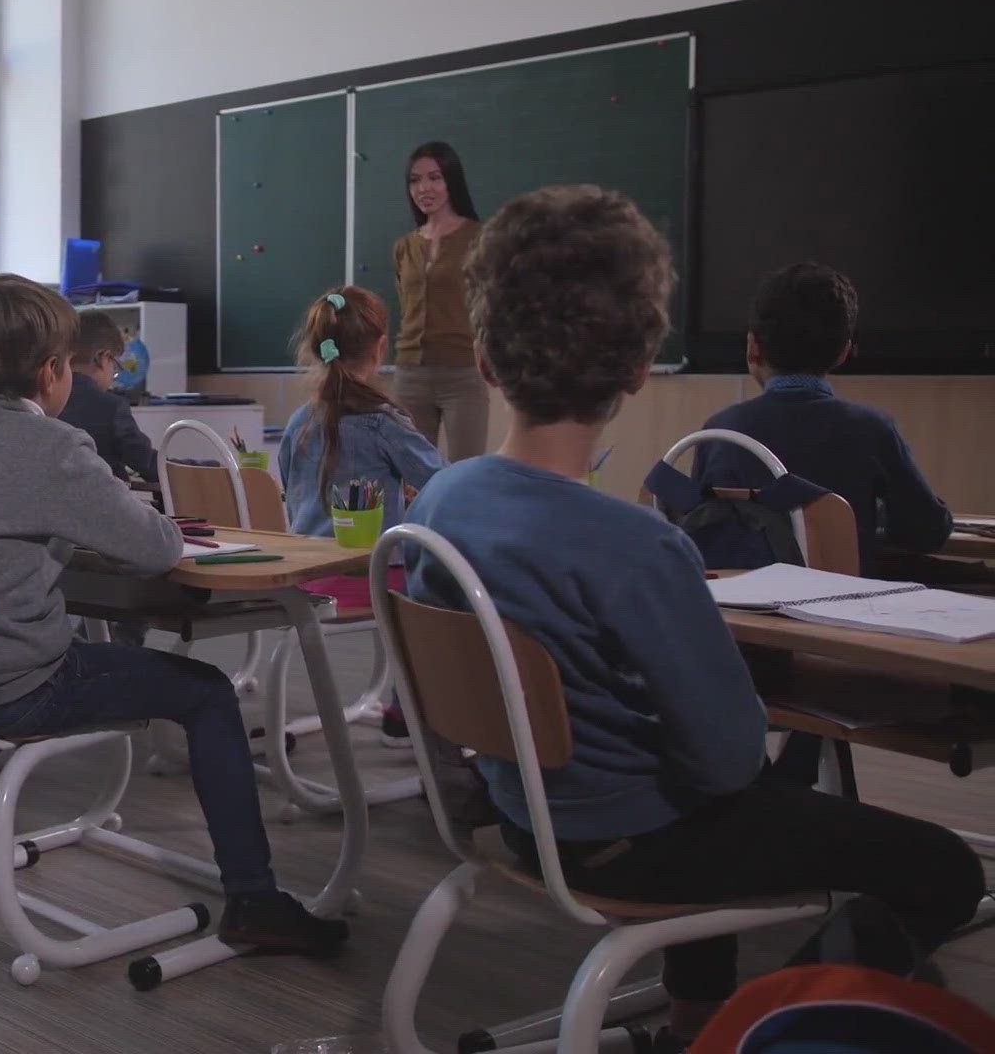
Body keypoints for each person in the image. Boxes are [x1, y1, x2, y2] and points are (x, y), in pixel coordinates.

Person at [402, 184, 983, 1051]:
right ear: (640, 367)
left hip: (520, 812)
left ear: (484, 361)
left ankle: (694, 1013)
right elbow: (724, 761)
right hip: (628, 839)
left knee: (711, 792)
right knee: (942, 866)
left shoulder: (441, 502)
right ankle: (770, 1016)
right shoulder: (639, 547)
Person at [0, 273, 349, 956]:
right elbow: (157, 545)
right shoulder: (50, 447)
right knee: (208, 693)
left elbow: (4, 530)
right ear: (51, 373)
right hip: (23, 683)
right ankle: (254, 895)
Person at [691, 262, 951, 577]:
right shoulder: (871, 429)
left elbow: (699, 532)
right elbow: (926, 533)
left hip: (738, 617)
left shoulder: (719, 433)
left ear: (752, 347)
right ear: (844, 352)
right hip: (838, 617)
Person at [279, 285, 445, 744]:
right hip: (365, 577)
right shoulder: (382, 420)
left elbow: (290, 486)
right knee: (446, 587)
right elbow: (445, 484)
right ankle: (408, 711)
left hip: (305, 578)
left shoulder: (300, 420)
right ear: (379, 346)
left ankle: (402, 707)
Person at [391, 140, 489, 460]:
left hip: (462, 372)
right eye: (415, 180)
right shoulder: (404, 246)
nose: (424, 188)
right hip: (410, 374)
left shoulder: (480, 238)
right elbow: (407, 306)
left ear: (451, 181)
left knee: (465, 472)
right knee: (413, 477)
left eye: (434, 177)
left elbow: (495, 304)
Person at [57, 310, 159, 484]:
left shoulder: (45, 399)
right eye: (115, 366)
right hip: (103, 502)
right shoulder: (111, 406)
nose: (114, 375)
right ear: (102, 358)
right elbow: (146, 463)